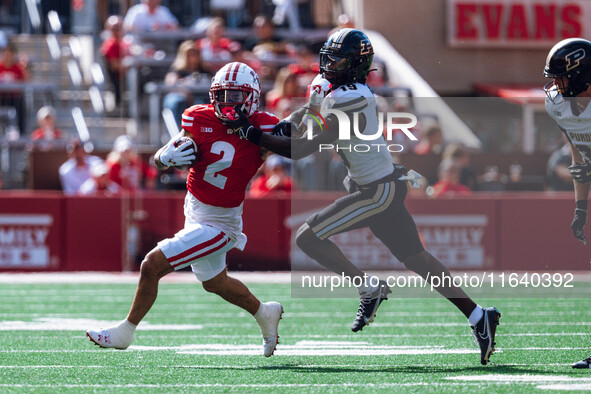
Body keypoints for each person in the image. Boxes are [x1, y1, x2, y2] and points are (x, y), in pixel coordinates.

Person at [225, 29, 501, 365]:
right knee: (417, 260)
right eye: (330, 55)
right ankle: (478, 316)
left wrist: (254, 134)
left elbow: (304, 148)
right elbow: (302, 122)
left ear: (356, 65)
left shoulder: (353, 97)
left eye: (338, 57)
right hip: (374, 184)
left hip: (376, 190)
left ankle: (368, 286)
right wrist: (272, 126)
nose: (330, 63)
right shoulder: (327, 87)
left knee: (308, 237)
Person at [86, 62, 284, 357]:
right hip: (194, 210)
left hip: (221, 222)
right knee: (215, 283)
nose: (226, 102)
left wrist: (254, 135)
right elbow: (160, 160)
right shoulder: (198, 116)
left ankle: (125, 331)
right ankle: (264, 312)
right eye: (222, 95)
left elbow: (298, 147)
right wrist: (165, 156)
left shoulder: (263, 124)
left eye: (235, 96)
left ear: (252, 98)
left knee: (151, 265)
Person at [542, 38, 591, 369]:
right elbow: (577, 154)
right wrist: (580, 207)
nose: (555, 86)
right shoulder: (557, 105)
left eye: (561, 78)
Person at [162, 40, 210, 126]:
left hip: (200, 97)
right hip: (182, 97)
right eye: (189, 54)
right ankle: (180, 130)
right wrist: (186, 92)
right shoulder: (177, 70)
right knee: (177, 102)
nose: (192, 57)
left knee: (202, 104)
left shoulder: (204, 70)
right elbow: (170, 83)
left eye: (194, 54)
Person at [101, 15, 129, 107]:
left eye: (120, 27)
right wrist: (131, 65)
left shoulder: (125, 42)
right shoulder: (110, 45)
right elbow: (115, 66)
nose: (118, 30)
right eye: (115, 28)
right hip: (121, 77)